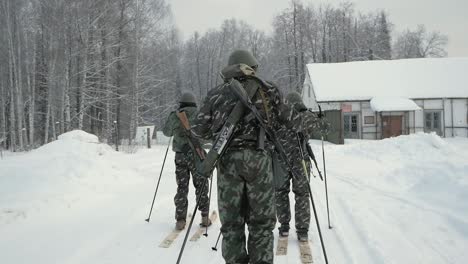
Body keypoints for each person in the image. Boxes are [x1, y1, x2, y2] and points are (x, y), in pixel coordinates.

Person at [192, 50, 301, 264]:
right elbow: (292, 122)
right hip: (259, 162)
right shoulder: (269, 90)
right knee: (261, 224)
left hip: (227, 163)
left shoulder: (216, 94)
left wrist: (218, 129)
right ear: (252, 67)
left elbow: (197, 128)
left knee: (231, 224)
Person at [274, 91, 324, 242]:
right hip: (301, 160)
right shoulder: (306, 116)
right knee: (302, 194)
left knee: (281, 193)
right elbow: (323, 128)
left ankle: (284, 227)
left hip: (281, 160)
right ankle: (302, 231)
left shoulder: (279, 117)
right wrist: (318, 117)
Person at [162, 92, 211, 230]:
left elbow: (167, 132)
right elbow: (207, 135)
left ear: (181, 103)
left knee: (182, 187)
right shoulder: (200, 114)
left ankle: (180, 220)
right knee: (201, 185)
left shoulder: (175, 115)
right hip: (197, 155)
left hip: (180, 156)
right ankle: (205, 217)